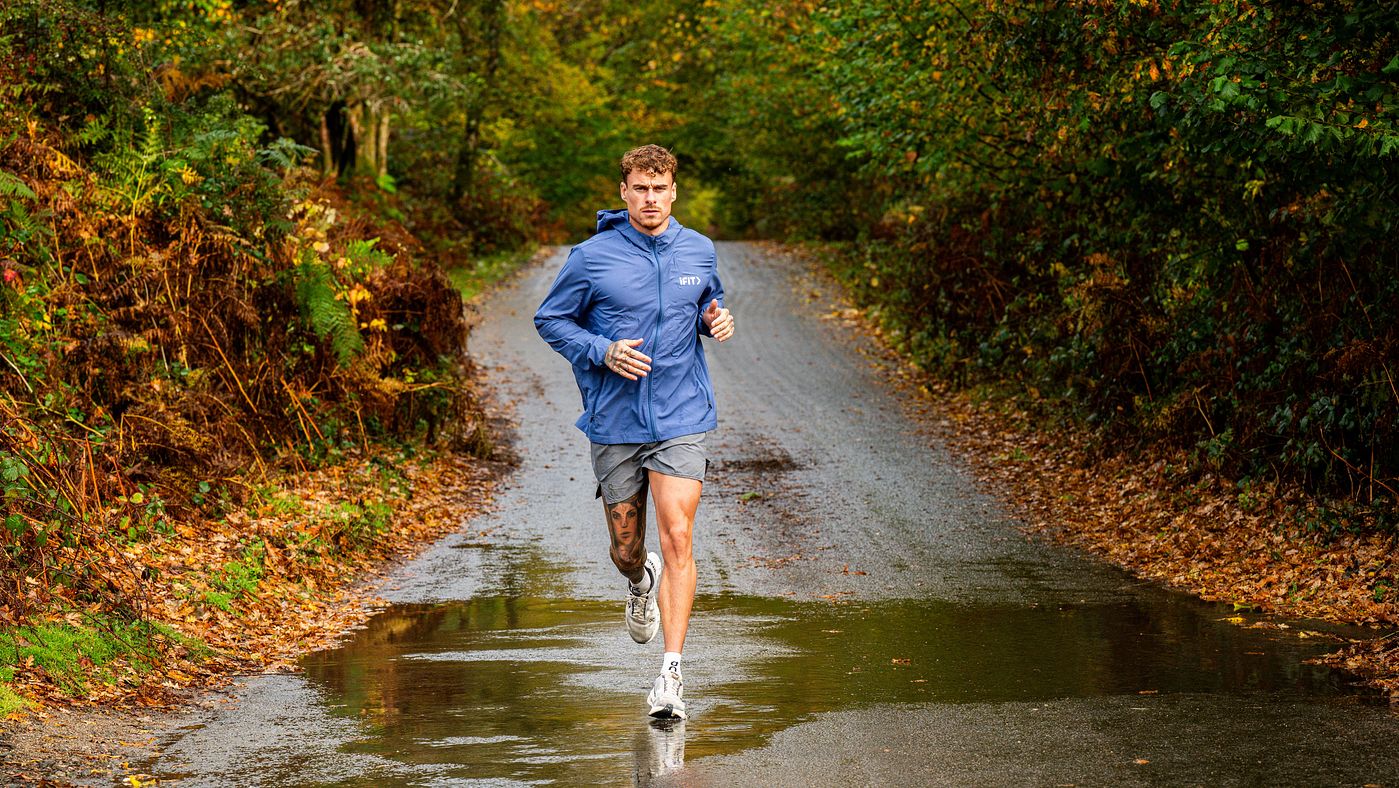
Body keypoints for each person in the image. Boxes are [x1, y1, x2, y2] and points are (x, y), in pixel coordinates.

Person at [534, 144, 734, 719]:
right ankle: (637, 578)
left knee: (679, 536)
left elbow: (706, 300)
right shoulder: (591, 257)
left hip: (681, 413)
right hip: (616, 418)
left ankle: (670, 677)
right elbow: (550, 319)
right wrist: (602, 349)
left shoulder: (699, 248)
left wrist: (713, 317)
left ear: (674, 191)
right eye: (640, 189)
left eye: (660, 188)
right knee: (628, 547)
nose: (651, 198)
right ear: (623, 193)